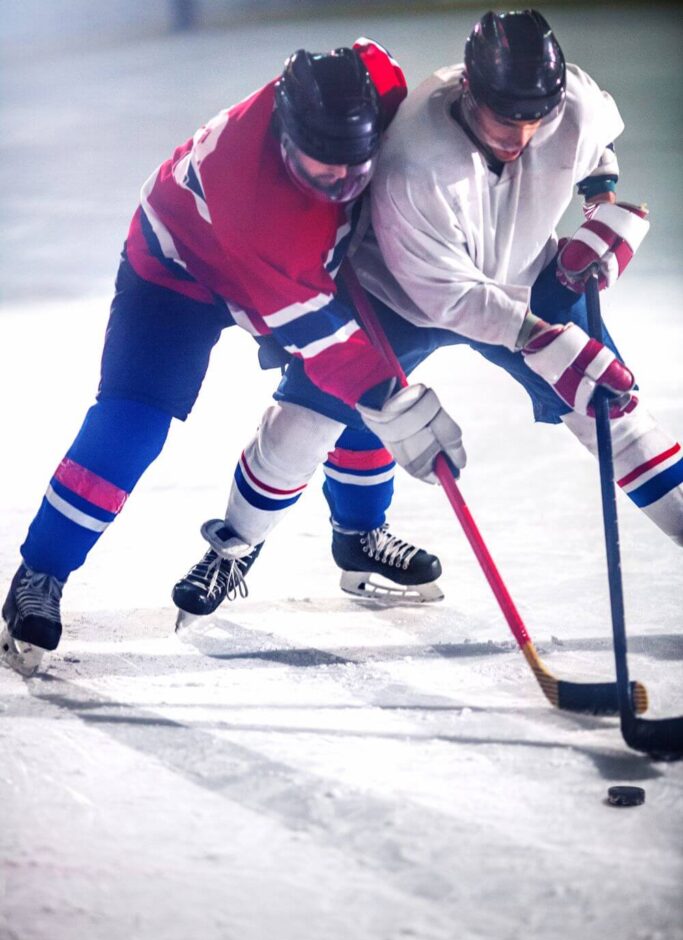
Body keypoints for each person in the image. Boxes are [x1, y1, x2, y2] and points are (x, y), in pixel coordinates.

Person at [171, 7, 681, 620]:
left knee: (611, 410)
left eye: (535, 119)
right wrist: (544, 338)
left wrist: (601, 203)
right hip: (402, 295)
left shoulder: (571, 98)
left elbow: (597, 141)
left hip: (520, 276)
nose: (520, 137)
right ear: (470, 88)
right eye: (504, 118)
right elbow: (451, 299)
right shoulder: (415, 160)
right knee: (304, 421)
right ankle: (233, 548)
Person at [1, 39, 467, 672]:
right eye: (320, 170)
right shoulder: (255, 201)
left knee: (357, 381)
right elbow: (332, 354)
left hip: (290, 263)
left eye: (352, 168)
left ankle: (359, 535)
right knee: (134, 421)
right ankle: (41, 572)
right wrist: (398, 404)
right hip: (178, 269)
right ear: (284, 140)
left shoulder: (373, 79)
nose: (339, 185)